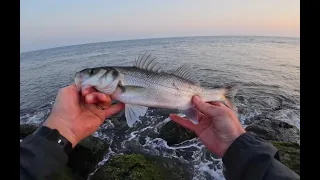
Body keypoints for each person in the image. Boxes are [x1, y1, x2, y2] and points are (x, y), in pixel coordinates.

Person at [20, 84, 300, 180]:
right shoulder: (122, 92)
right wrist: (239, 147)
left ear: (111, 77)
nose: (87, 78)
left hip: (189, 97)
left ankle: (220, 94)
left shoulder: (120, 88)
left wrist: (57, 131)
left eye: (95, 73)